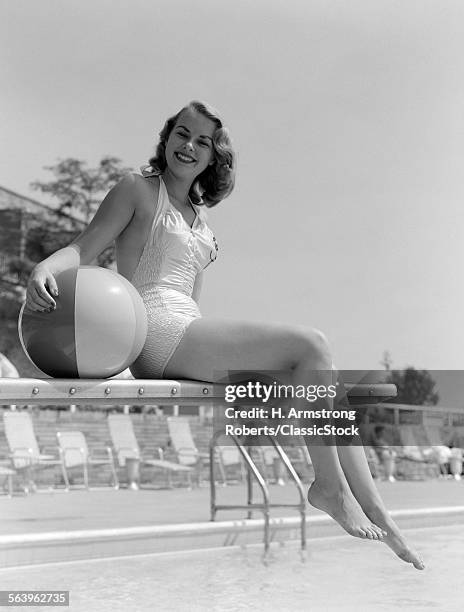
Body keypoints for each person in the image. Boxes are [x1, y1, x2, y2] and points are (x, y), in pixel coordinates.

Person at [24, 100, 424, 570]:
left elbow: (194, 301)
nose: (188, 145)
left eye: (203, 141)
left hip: (185, 326)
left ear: (214, 157)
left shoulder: (201, 222)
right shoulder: (137, 188)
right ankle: (329, 487)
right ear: (166, 139)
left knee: (327, 388)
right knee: (311, 345)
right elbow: (85, 247)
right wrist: (45, 267)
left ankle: (380, 511)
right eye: (181, 134)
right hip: (153, 327)